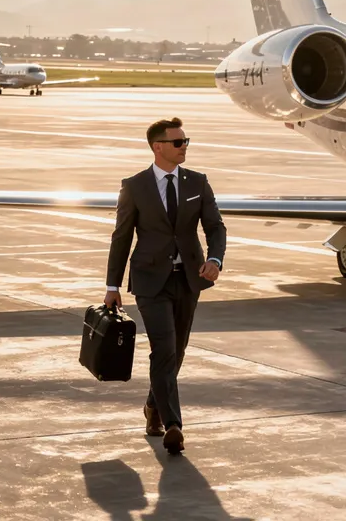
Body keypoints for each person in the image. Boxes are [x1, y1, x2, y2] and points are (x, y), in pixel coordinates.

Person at [105, 117, 226, 454]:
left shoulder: (197, 183)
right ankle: (173, 424)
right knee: (165, 349)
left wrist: (215, 260)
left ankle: (152, 407)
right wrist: (112, 285)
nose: (184, 146)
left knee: (178, 351)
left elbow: (216, 227)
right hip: (150, 280)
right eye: (178, 142)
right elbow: (122, 237)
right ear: (158, 147)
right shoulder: (135, 186)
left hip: (188, 279)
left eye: (186, 141)